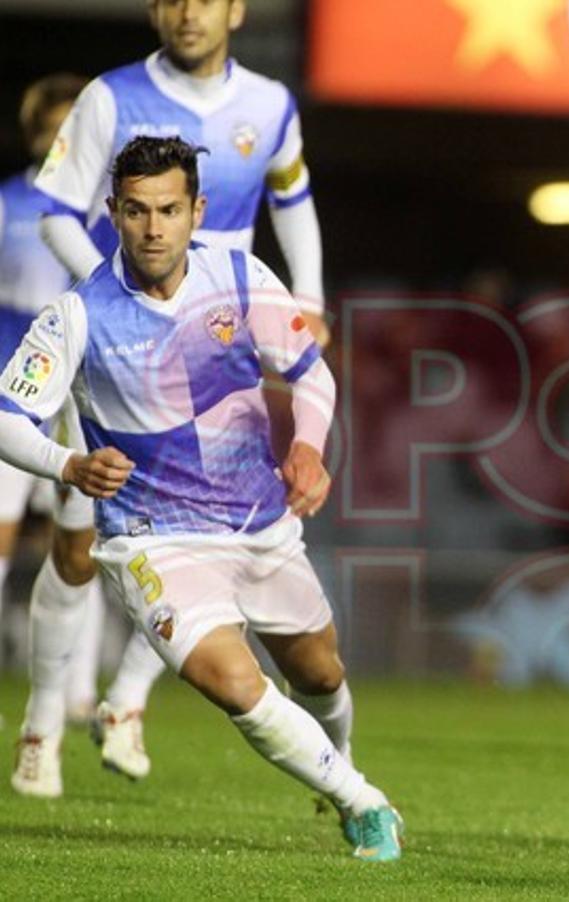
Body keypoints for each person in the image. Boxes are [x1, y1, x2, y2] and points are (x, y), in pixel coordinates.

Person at [0, 136, 401, 861]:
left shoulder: (243, 279)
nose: (153, 228)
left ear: (196, 212)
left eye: (169, 210)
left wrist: (307, 444)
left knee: (320, 673)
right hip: (154, 539)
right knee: (232, 680)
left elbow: (310, 372)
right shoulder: (78, 314)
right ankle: (361, 801)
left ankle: (340, 769)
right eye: (136, 211)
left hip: (259, 522)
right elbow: (7, 415)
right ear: (113, 214)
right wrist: (69, 465)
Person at [22, 0, 328, 788]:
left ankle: (123, 700)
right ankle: (44, 723)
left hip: (222, 329)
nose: (189, 13)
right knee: (79, 545)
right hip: (119, 345)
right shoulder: (109, 98)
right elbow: (57, 211)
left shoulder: (269, 103)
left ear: (237, 10)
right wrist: (113, 288)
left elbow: (292, 200)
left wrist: (313, 299)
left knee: (208, 524)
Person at [0, 75, 88, 692]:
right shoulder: (7, 204)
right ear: (34, 135)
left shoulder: (107, 211)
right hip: (10, 392)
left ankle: (76, 691)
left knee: (80, 543)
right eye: (51, 129)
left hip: (80, 399)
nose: (61, 141)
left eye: (72, 130)